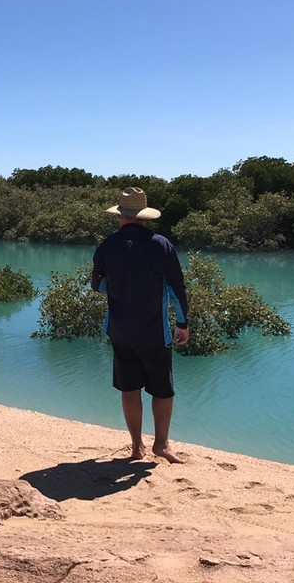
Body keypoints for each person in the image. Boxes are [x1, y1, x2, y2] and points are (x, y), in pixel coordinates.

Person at [91, 187, 189, 463]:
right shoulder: (161, 245)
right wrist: (182, 323)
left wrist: (122, 282)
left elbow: (98, 286)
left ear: (120, 216)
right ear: (144, 217)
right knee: (163, 390)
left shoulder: (107, 246)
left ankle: (136, 447)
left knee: (129, 389)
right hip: (155, 333)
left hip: (120, 331)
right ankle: (161, 444)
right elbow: (176, 288)